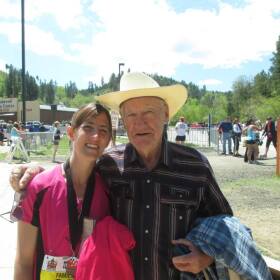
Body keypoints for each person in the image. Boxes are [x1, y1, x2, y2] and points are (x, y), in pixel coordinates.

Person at [10, 72, 233, 280]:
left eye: (148, 113)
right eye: (131, 115)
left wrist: (206, 256)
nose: (140, 123)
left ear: (165, 114)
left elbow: (226, 226)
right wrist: (33, 172)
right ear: (124, 122)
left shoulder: (195, 165)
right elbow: (72, 174)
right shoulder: (109, 165)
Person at [13, 103, 113, 279]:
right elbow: (23, 261)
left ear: (108, 140)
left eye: (103, 131)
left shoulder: (108, 191)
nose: (96, 136)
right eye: (88, 128)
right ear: (71, 132)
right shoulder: (39, 187)